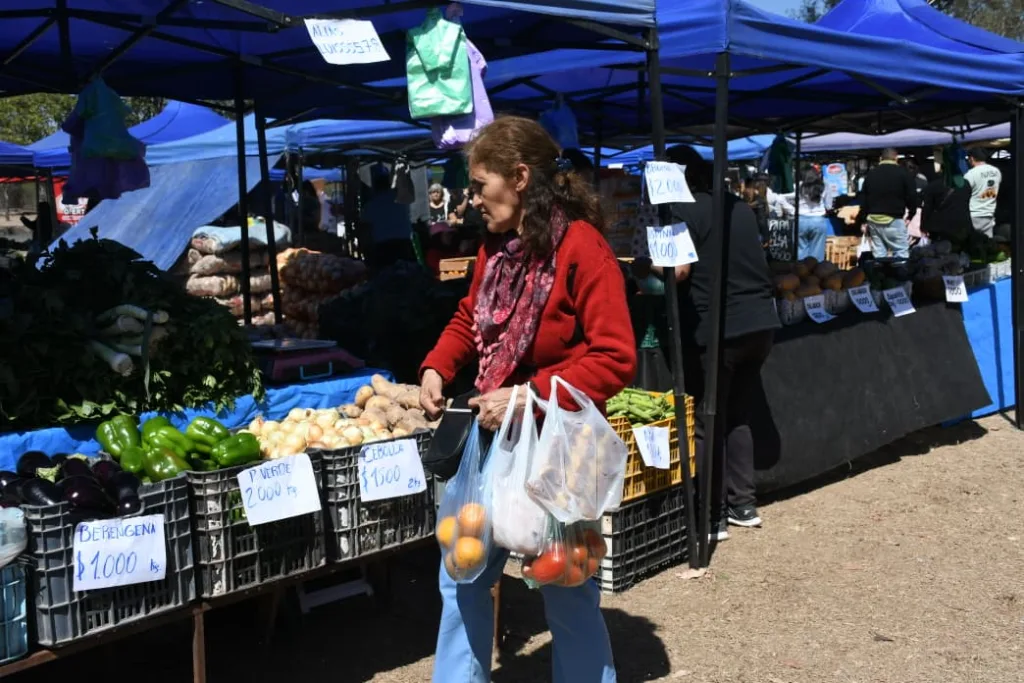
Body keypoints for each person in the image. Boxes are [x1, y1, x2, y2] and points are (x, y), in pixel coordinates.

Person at [418, 117, 635, 683]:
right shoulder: (496, 247)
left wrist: (527, 395)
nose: (473, 199)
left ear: (519, 178)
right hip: (493, 439)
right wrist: (440, 364)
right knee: (460, 569)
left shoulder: (584, 248)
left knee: (564, 583)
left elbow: (615, 357)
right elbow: (473, 317)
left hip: (560, 446)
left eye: (480, 184)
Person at [636, 145, 779, 538]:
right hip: (760, 325)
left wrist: (644, 269)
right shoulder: (739, 207)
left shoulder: (683, 212)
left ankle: (710, 515)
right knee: (739, 414)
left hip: (720, 329)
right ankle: (743, 505)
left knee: (707, 418)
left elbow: (677, 271)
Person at [856, 148, 917, 259]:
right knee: (900, 254)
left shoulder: (871, 175)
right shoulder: (904, 174)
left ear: (880, 159)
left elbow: (864, 199)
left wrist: (863, 220)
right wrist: (911, 214)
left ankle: (881, 275)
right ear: (896, 158)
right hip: (894, 219)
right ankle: (900, 276)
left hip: (873, 220)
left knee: (879, 255)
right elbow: (912, 197)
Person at [920, 145, 972, 248]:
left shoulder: (933, 186)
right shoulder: (966, 184)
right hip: (962, 225)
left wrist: (924, 226)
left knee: (940, 253)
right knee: (959, 251)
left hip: (940, 227)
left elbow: (927, 208)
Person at [782, 167, 830, 261]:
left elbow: (781, 198)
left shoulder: (797, 186)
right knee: (817, 254)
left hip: (801, 220)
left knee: (800, 252)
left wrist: (792, 210)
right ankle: (815, 273)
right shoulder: (824, 185)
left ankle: (802, 273)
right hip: (818, 220)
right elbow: (828, 205)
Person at [964, 147, 1002, 238]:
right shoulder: (996, 171)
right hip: (989, 213)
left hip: (974, 214)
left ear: (972, 158)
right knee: (987, 244)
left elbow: (964, 194)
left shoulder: (970, 174)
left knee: (972, 244)